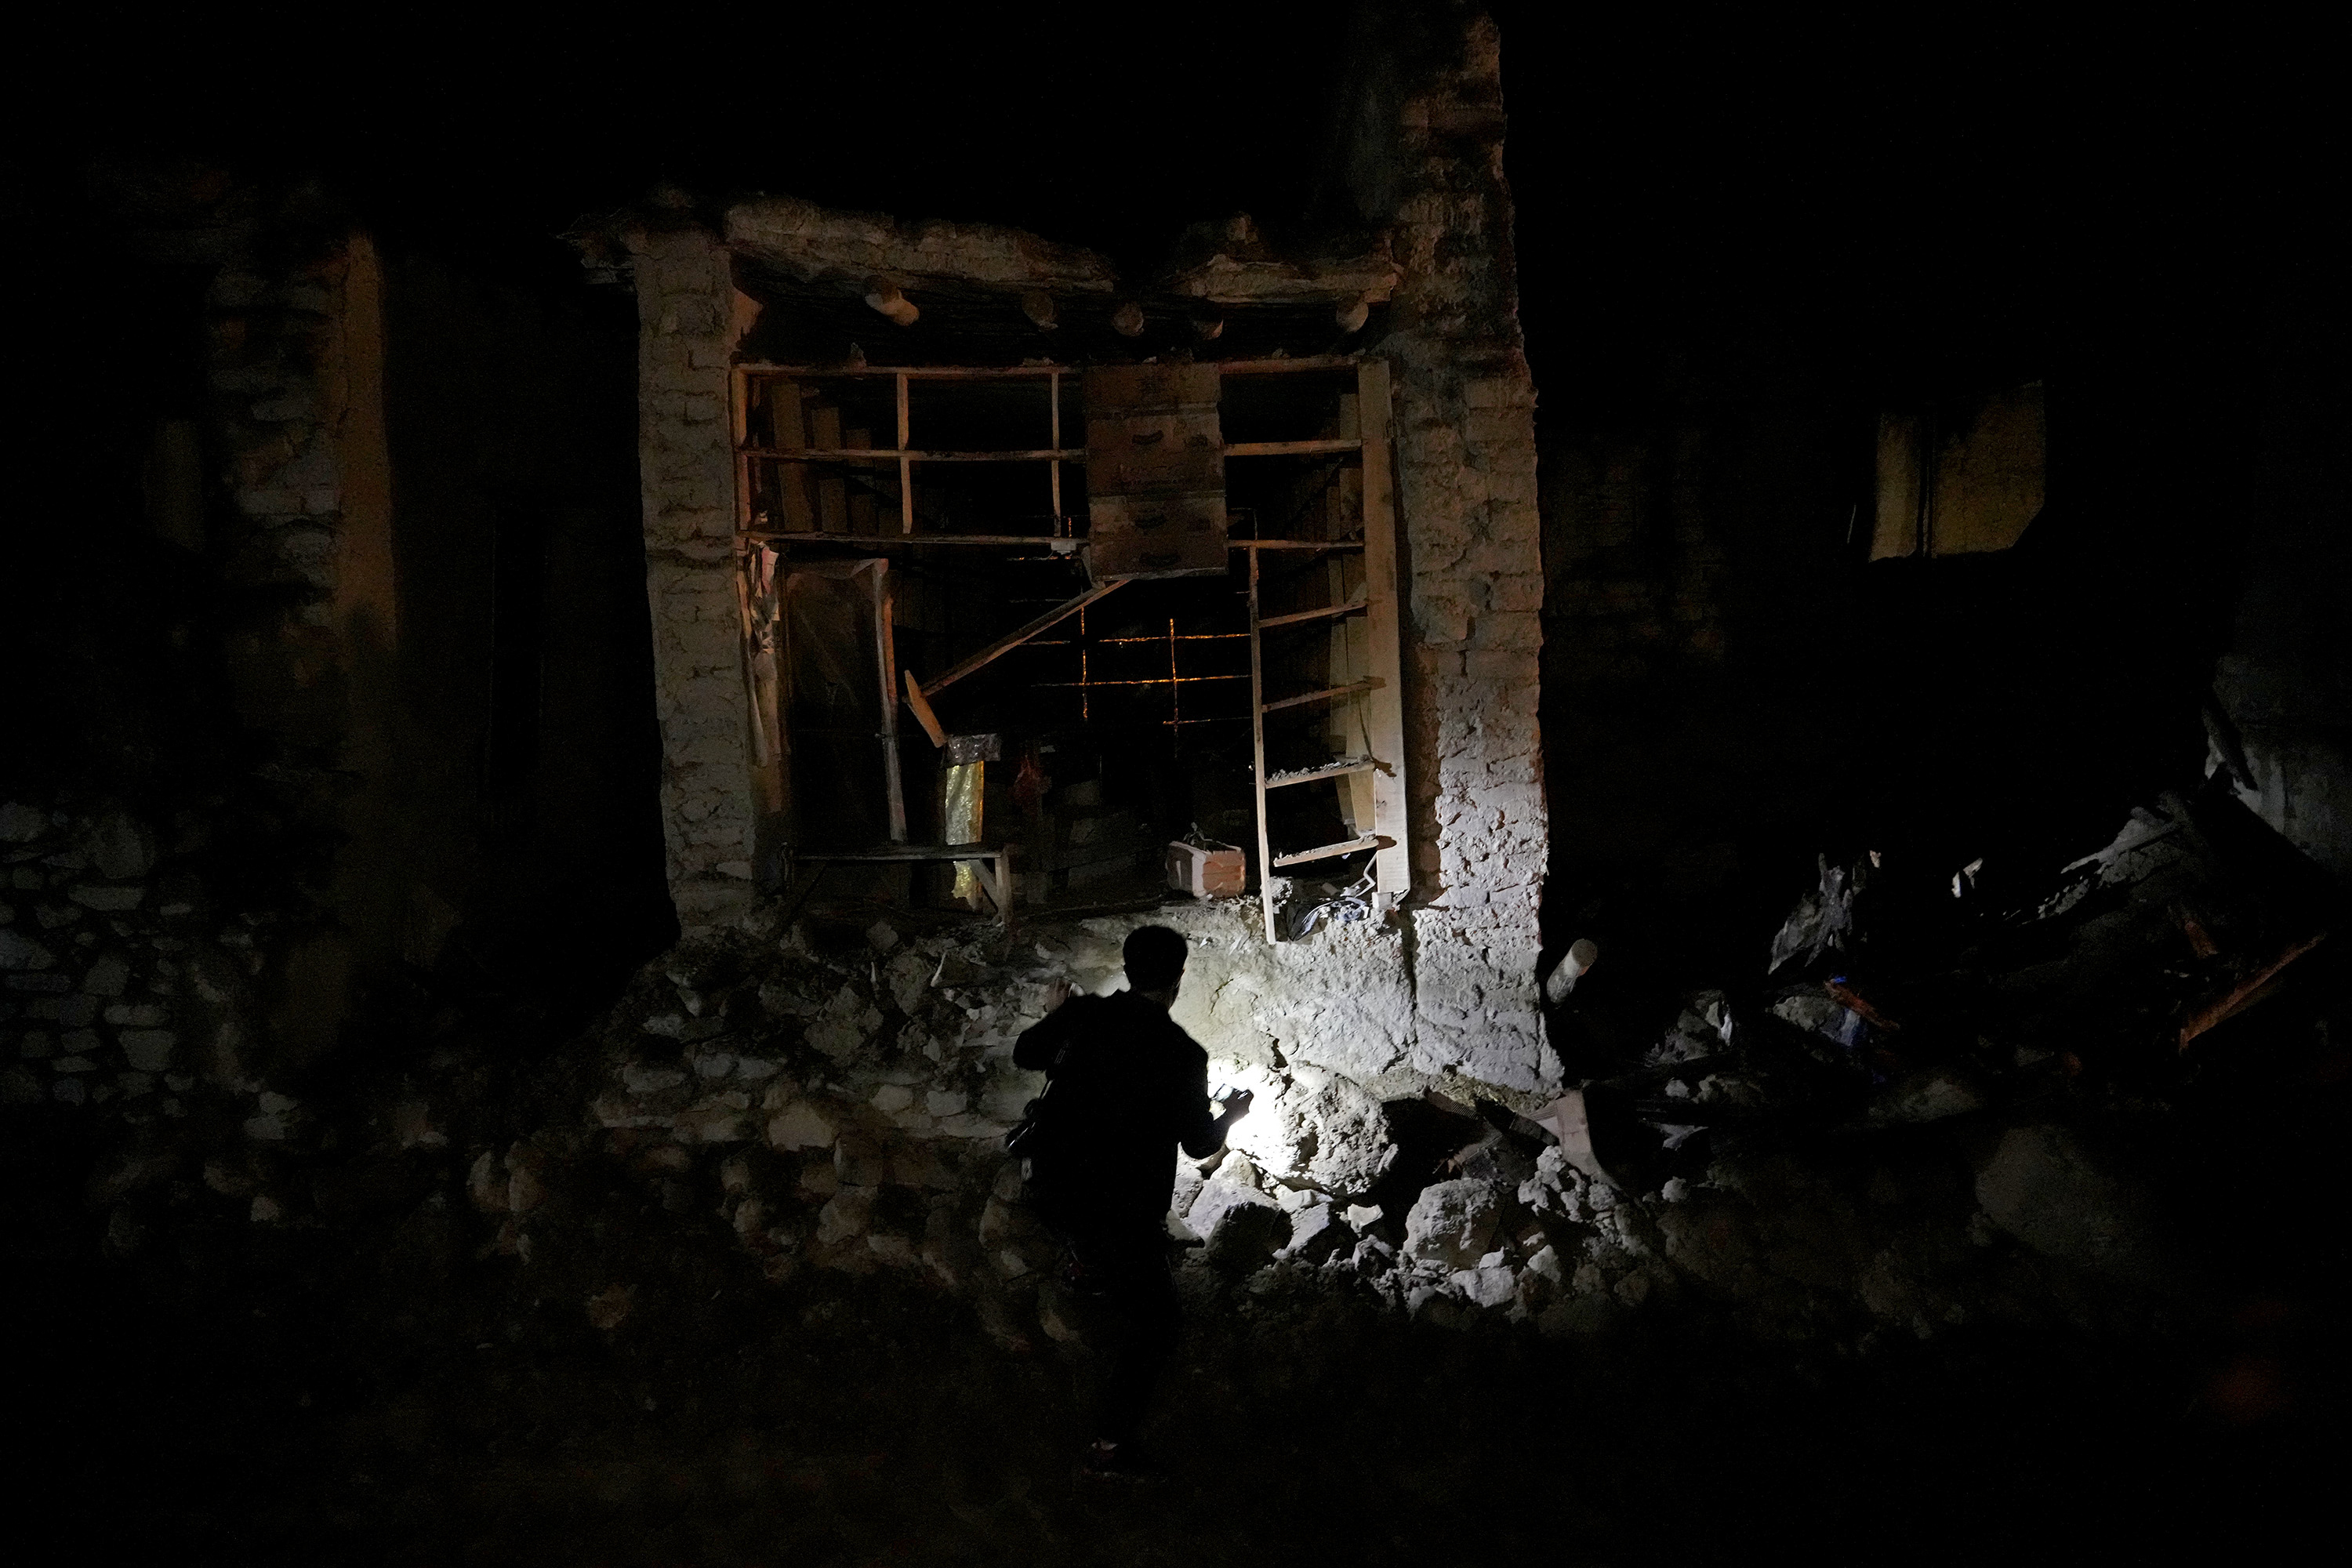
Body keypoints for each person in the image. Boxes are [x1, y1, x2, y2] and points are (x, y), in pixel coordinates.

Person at [1011, 924, 1250, 1478]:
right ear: (1180, 978)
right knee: (1158, 1325)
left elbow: (1026, 1053)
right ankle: (1110, 1449)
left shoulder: (1085, 1015)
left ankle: (1084, 1262)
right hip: (1120, 1212)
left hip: (1052, 1188)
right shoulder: (1182, 1054)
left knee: (1092, 1236)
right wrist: (1232, 1115)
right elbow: (1199, 1144)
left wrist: (1057, 1014)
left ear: (1127, 967)